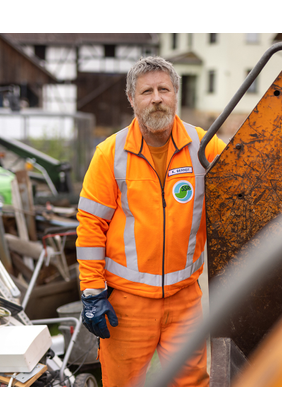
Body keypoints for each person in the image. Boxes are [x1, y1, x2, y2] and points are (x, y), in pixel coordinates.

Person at [76, 56, 226, 387]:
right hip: (126, 306)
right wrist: (92, 291)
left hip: (185, 301)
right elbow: (90, 226)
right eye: (146, 91)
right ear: (131, 99)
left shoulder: (204, 146)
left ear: (176, 95)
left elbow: (246, 181)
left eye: (164, 89)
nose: (156, 98)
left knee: (191, 389)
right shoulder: (110, 154)